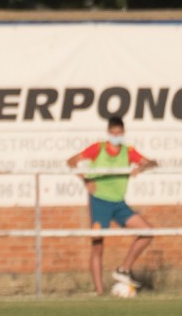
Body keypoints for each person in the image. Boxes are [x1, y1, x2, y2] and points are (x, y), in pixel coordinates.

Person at [66, 116, 158, 295]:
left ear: (123, 133)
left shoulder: (128, 151)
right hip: (100, 201)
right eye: (113, 132)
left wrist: (141, 168)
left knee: (147, 231)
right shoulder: (98, 148)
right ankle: (100, 292)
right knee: (97, 245)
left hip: (119, 203)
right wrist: (86, 180)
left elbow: (152, 162)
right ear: (109, 133)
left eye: (119, 132)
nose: (116, 135)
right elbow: (71, 161)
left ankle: (123, 269)